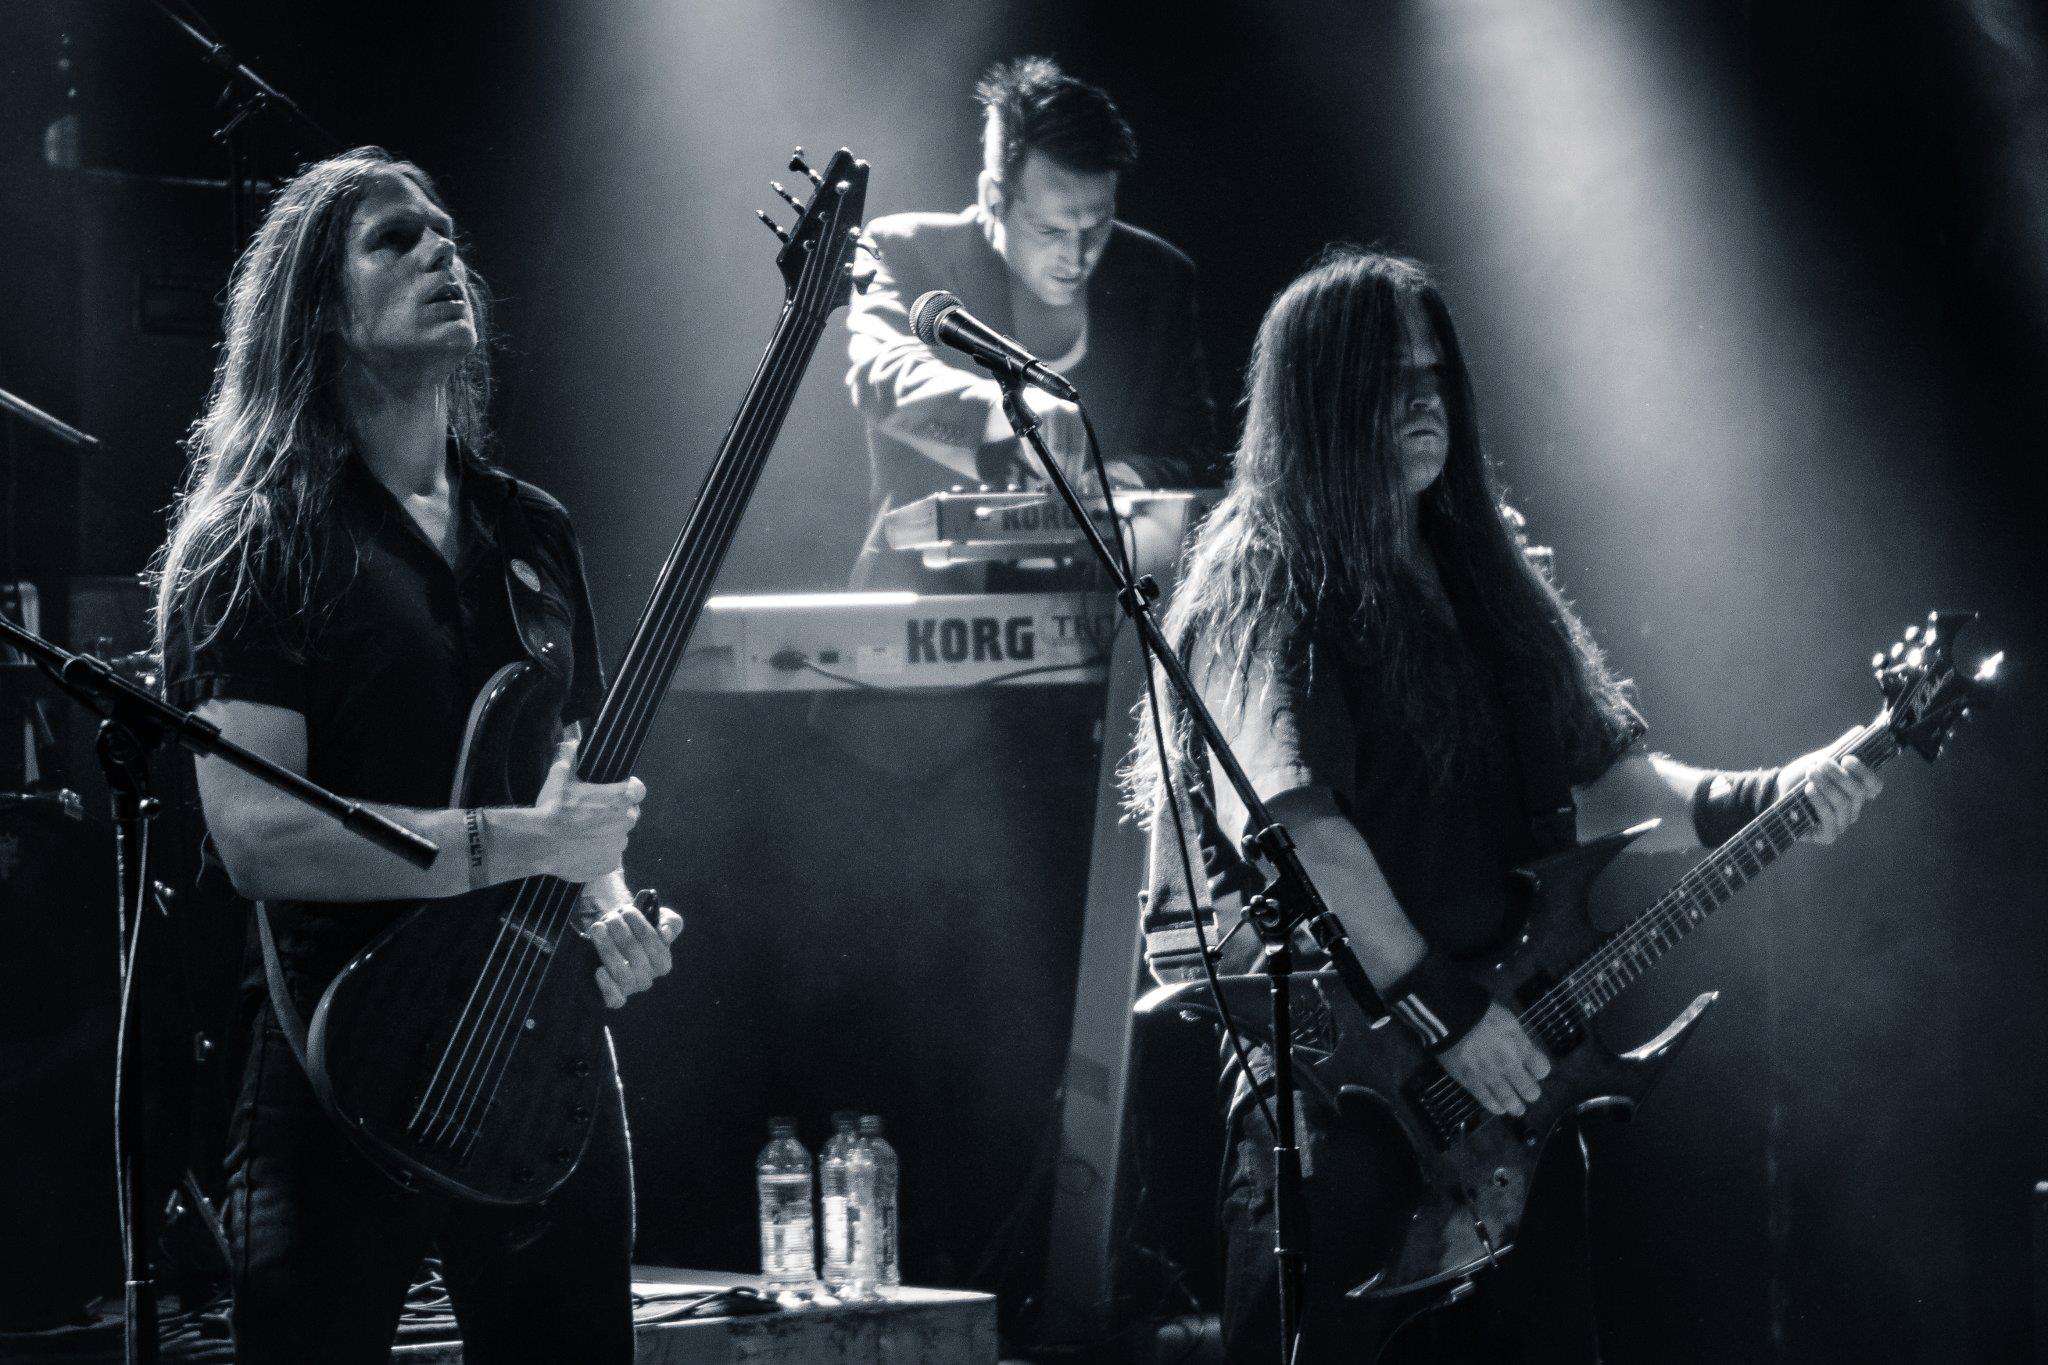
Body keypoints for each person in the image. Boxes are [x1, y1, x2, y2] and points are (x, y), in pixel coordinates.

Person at [1128, 248, 1883, 1362]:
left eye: (1436, 374)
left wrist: (1771, 793)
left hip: (1508, 1107)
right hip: (1351, 1106)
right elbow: (1298, 829)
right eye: (1391, 378)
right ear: (1321, 397)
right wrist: (1447, 1013)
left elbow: (1604, 782)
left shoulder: (1478, 567)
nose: (1425, 400)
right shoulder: (1265, 576)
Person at [152, 147, 682, 1364]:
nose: (442, 249)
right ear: (318, 311)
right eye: (393, 239)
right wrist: (526, 845)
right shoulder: (256, 539)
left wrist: (606, 903)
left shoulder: (529, 528)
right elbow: (258, 838)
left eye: (445, 231)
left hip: (533, 1041)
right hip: (334, 1052)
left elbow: (573, 782)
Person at [844, 54, 1223, 591]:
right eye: (1050, 231)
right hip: (931, 606)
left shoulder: (1158, 275)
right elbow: (883, 376)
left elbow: (1200, 454)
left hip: (1109, 608)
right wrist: (1010, 410)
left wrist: (1125, 480)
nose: (1079, 256)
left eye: (1098, 225)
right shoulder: (904, 250)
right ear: (993, 198)